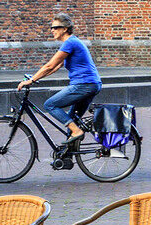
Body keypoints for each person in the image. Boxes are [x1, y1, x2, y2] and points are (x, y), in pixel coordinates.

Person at [18, 13, 101, 144]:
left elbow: (49, 65)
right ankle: (67, 157)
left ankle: (77, 132)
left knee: (50, 105)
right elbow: (55, 67)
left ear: (65, 29)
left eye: (56, 27)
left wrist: (31, 80)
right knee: (71, 121)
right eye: (52, 28)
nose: (52, 30)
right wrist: (36, 78)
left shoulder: (70, 43)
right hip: (90, 84)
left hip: (84, 84)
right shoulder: (73, 42)